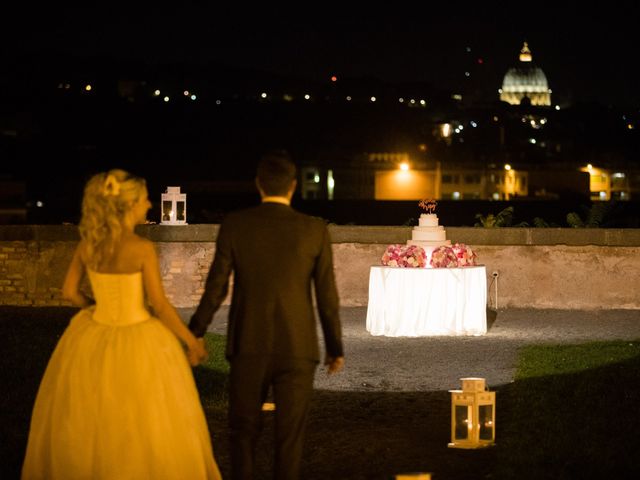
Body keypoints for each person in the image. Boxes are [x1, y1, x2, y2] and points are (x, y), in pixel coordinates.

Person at [21, 169, 222, 479]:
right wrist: (191, 340)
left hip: (94, 334)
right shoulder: (141, 249)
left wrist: (93, 308)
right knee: (144, 415)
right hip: (141, 335)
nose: (150, 205)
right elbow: (161, 305)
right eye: (144, 199)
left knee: (96, 413)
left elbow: (69, 291)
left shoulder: (89, 244)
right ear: (128, 206)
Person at [189, 150, 344, 480]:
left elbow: (216, 287)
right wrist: (335, 347)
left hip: (249, 343)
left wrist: (196, 330)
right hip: (298, 346)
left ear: (259, 185)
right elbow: (327, 296)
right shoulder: (314, 230)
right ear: (292, 186)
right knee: (290, 439)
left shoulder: (236, 225)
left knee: (242, 433)